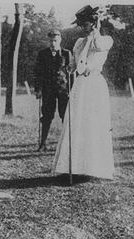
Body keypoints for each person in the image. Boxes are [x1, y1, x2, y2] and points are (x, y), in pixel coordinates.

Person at [51, 5, 115, 180]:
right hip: (80, 85)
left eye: (85, 24)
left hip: (94, 83)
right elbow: (74, 65)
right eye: (81, 24)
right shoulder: (79, 42)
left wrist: (96, 31)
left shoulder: (105, 40)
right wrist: (68, 66)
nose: (82, 28)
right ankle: (73, 167)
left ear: (94, 23)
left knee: (92, 124)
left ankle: (93, 169)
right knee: (77, 122)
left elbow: (97, 46)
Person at [33, 29, 73, 152]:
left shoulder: (67, 53)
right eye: (51, 40)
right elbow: (38, 73)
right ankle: (43, 144)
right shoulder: (42, 54)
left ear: (60, 40)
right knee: (46, 116)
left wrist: (72, 90)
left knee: (64, 116)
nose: (53, 43)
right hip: (47, 90)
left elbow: (71, 74)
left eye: (55, 40)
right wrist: (38, 89)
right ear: (48, 40)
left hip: (63, 90)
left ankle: (67, 144)